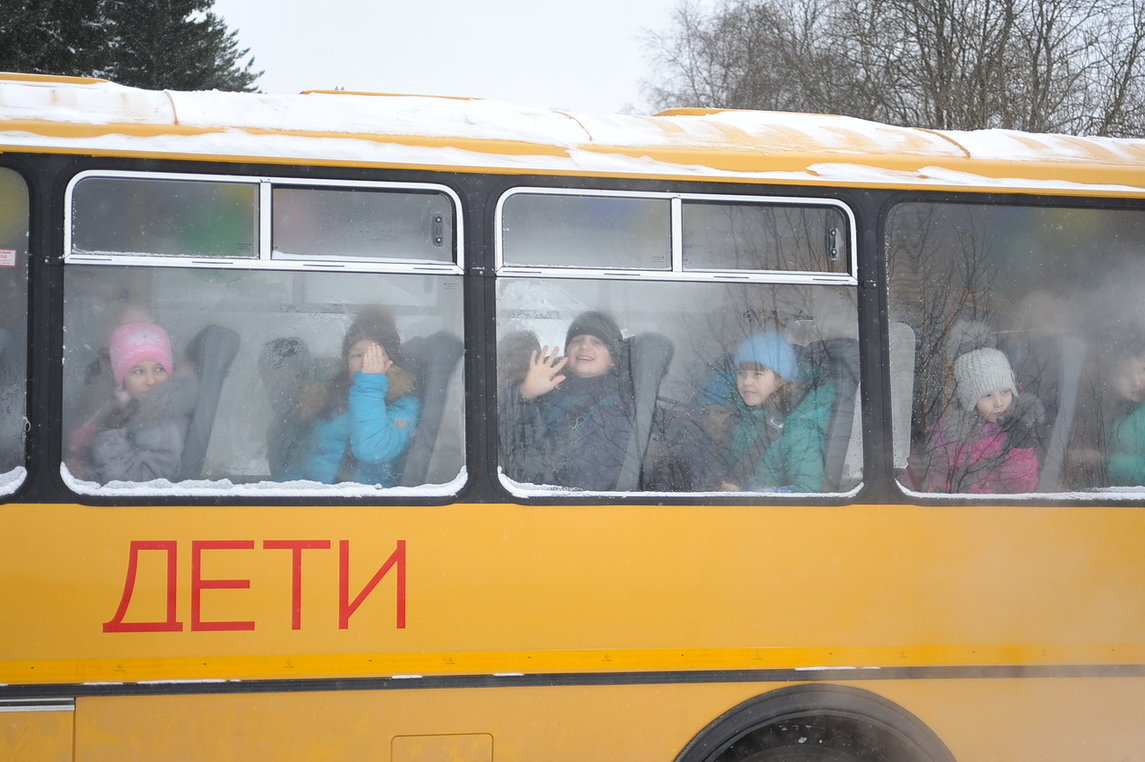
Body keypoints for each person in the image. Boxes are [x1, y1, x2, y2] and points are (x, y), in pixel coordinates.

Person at [499, 311, 633, 490]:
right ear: (567, 352)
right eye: (577, 340)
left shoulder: (613, 413)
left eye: (597, 342)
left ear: (612, 361)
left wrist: (524, 400)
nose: (584, 346)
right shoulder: (547, 386)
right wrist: (524, 392)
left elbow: (552, 483)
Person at [690, 331, 835, 492]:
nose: (746, 382)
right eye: (741, 373)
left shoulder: (799, 429)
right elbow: (726, 464)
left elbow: (807, 490)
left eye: (757, 374)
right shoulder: (748, 420)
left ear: (780, 380)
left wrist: (749, 496)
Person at [291, 309, 420, 486]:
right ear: (346, 361)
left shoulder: (403, 404)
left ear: (391, 361)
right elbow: (309, 462)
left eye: (373, 355)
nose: (364, 363)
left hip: (367, 504)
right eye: (357, 355)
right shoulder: (334, 398)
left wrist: (370, 385)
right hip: (318, 498)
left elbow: (373, 450)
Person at [73, 321, 197, 483]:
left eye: (159, 369)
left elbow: (139, 485)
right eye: (139, 371)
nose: (151, 380)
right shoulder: (126, 408)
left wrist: (110, 433)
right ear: (121, 379)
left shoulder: (161, 423)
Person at [907, 347, 1043, 493]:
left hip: (1002, 511)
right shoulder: (951, 433)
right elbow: (918, 473)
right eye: (987, 395)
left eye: (1004, 392)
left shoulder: (1020, 427)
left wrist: (1021, 450)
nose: (999, 402)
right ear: (970, 400)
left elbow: (1022, 488)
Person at [1103, 337, 1145, 486]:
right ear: (1111, 379)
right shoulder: (1104, 416)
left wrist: (1104, 461)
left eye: (1143, 370)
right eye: (1124, 374)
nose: (1136, 381)